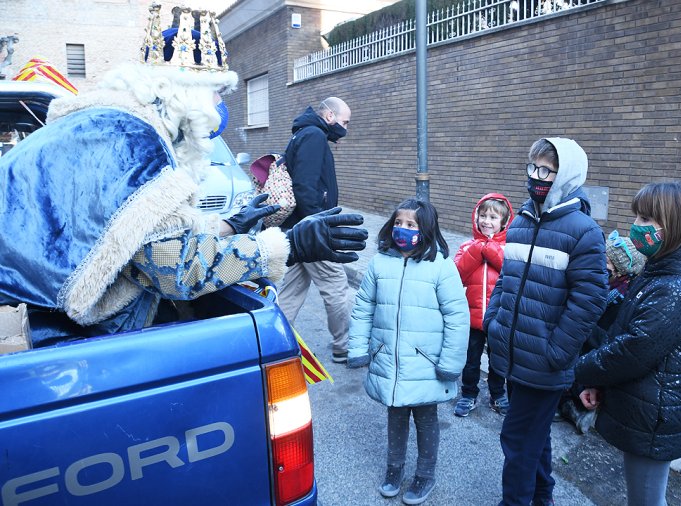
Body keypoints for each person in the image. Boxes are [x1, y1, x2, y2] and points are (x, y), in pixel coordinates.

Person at [0, 5, 366, 342]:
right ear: (186, 93)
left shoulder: (109, 125)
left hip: (37, 313)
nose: (221, 106)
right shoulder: (136, 142)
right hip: (48, 330)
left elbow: (141, 236)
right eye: (217, 93)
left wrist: (229, 225)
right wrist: (288, 245)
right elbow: (176, 271)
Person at [575, 182, 681, 506]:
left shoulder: (675, 290)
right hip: (647, 409)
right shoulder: (659, 270)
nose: (636, 227)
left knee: (646, 499)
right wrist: (598, 383)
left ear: (675, 227)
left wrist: (578, 370)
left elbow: (632, 350)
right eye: (638, 217)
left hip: (655, 419)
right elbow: (624, 331)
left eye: (646, 219)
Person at [484, 138, 607, 506]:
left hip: (545, 359)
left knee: (517, 440)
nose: (536, 177)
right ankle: (542, 497)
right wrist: (495, 320)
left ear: (566, 176)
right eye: (533, 168)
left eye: (547, 171)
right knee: (535, 437)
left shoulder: (583, 231)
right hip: (513, 351)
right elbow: (507, 278)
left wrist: (557, 351)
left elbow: (590, 298)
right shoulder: (521, 221)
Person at [347, 198, 469, 505]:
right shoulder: (379, 262)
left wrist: (450, 363)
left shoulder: (441, 266)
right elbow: (363, 308)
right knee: (396, 416)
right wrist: (360, 349)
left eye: (411, 225)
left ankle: (425, 475)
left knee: (426, 419)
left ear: (426, 230)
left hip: (426, 364)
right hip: (389, 359)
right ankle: (394, 470)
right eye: (398, 223)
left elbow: (458, 317)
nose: (403, 229)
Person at [277, 97, 354, 364]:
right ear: (329, 116)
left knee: (292, 289)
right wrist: (317, 225)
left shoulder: (305, 133)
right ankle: (343, 346)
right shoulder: (314, 136)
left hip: (299, 227)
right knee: (336, 286)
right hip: (311, 229)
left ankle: (272, 341)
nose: (345, 128)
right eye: (344, 122)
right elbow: (305, 186)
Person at [557, 230, 647, 434]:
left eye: (607, 264)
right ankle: (569, 402)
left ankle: (574, 404)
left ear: (622, 272)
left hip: (595, 351)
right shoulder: (602, 285)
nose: (601, 267)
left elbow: (604, 340)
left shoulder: (621, 300)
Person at [452, 193, 514, 417]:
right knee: (471, 360)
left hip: (499, 316)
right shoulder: (467, 246)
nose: (487, 221)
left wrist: (489, 248)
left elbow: (511, 271)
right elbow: (458, 273)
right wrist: (478, 250)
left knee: (498, 361)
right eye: (483, 215)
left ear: (504, 223)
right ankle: (469, 394)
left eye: (493, 217)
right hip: (472, 316)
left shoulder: (509, 248)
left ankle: (497, 394)